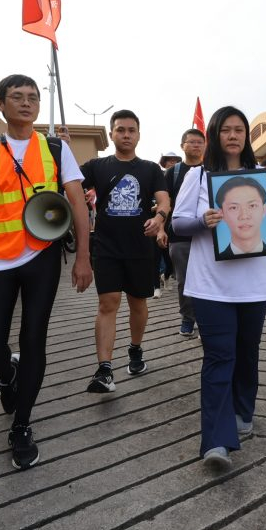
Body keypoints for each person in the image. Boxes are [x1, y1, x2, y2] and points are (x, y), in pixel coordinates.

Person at [0, 74, 92, 470]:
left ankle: (22, 424)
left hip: (42, 256)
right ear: (1, 104)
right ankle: (7, 374)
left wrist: (83, 258)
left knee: (34, 339)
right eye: (16, 97)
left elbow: (77, 203)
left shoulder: (57, 149)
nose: (26, 103)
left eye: (32, 98)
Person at [172, 106, 266, 469]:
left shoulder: (265, 178)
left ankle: (243, 411)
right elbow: (178, 223)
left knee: (247, 350)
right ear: (214, 135)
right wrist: (202, 221)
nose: (234, 136)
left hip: (255, 284)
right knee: (219, 356)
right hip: (211, 285)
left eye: (240, 129)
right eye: (226, 130)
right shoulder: (198, 175)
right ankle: (216, 440)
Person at [80, 110, 169, 393]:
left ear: (139, 134)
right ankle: (104, 370)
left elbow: (164, 200)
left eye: (131, 130)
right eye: (120, 130)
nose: (126, 135)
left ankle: (135, 349)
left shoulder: (151, 169)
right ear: (111, 134)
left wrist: (160, 218)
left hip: (140, 247)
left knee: (137, 303)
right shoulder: (96, 166)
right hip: (105, 246)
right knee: (107, 304)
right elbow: (68, 183)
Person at [165, 129, 206, 338]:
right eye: (192, 142)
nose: (196, 145)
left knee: (207, 279)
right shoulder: (173, 172)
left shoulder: (212, 170)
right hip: (180, 236)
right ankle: (188, 318)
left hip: (208, 236)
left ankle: (206, 320)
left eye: (200, 142)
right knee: (183, 280)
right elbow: (164, 202)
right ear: (183, 146)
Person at [213, 176, 266, 260]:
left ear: (264, 210)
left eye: (252, 206)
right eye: (234, 208)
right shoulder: (220, 258)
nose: (244, 216)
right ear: (222, 214)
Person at [152, 152, 182, 297]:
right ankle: (156, 287)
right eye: (169, 160)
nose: (172, 162)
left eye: (175, 160)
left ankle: (166, 277)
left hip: (172, 221)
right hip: (155, 221)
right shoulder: (157, 176)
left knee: (170, 258)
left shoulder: (178, 177)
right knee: (156, 255)